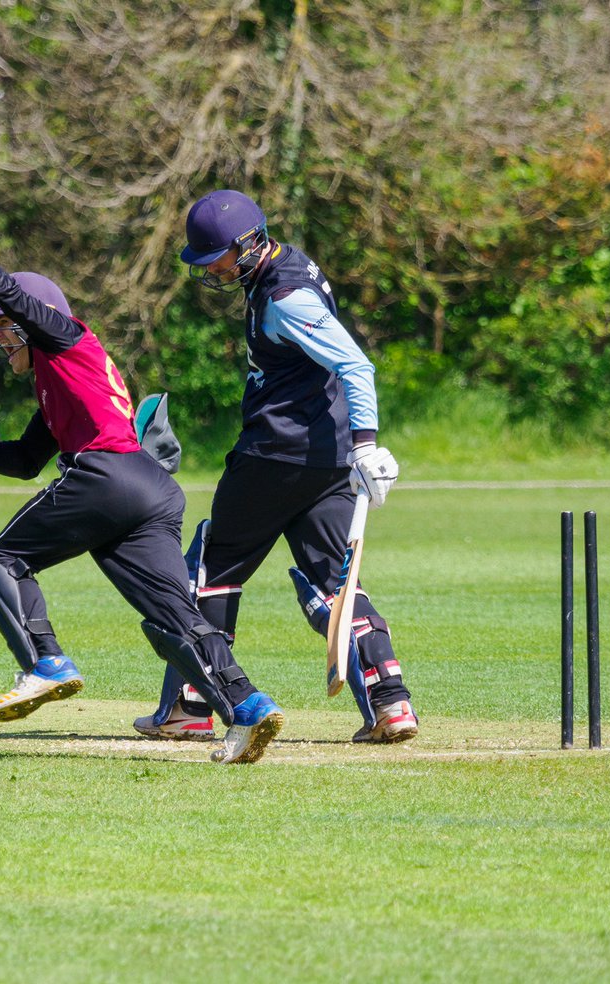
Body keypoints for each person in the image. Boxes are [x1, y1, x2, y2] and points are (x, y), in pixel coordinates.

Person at [0, 172, 283, 764]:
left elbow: (19, 299)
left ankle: (44, 661)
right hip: (149, 489)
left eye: (2, 327)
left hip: (108, 478)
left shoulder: (64, 338)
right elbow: (24, 462)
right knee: (174, 618)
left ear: (31, 319)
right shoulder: (61, 382)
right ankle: (248, 707)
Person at [133, 189, 417, 745]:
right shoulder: (288, 264)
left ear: (247, 244)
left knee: (211, 573)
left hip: (276, 457)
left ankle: (193, 706)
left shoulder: (286, 297)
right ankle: (390, 703)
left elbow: (357, 365)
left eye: (215, 258)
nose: (211, 269)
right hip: (323, 458)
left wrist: (367, 444)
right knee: (335, 580)